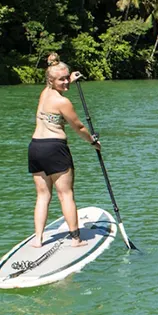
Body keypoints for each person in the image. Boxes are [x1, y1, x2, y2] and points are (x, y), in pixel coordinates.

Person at [28, 53, 101, 248]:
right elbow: (79, 127)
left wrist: (66, 76)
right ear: (51, 81)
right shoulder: (63, 102)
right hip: (54, 148)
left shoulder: (44, 93)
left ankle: (38, 239)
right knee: (65, 194)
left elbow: (54, 82)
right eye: (62, 79)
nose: (66, 82)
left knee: (43, 195)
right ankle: (76, 239)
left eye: (67, 77)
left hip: (35, 147)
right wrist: (92, 142)